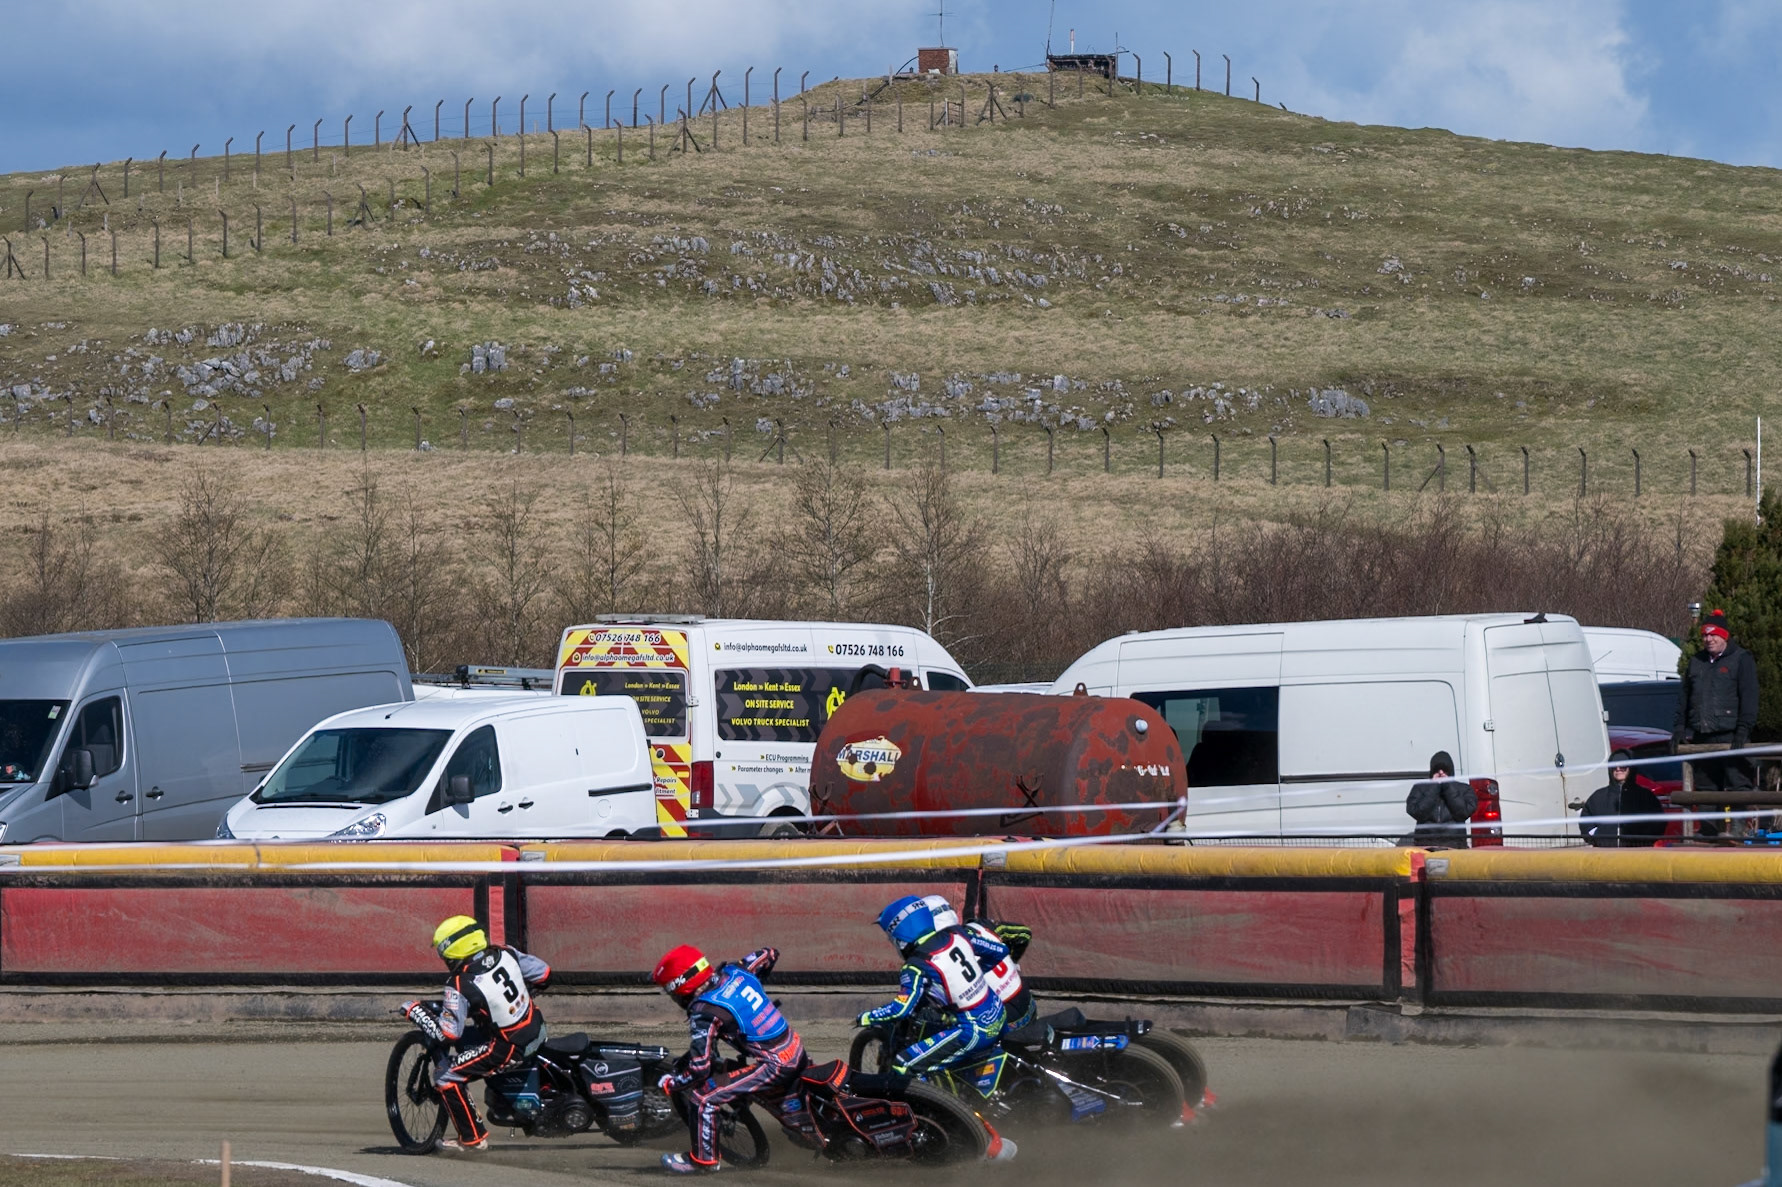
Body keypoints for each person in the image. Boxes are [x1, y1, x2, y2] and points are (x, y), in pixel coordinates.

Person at [400, 915, 552, 1153]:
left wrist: (415, 1011)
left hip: (507, 1047)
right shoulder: (506, 953)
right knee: (470, 1041)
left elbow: (448, 1034)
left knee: (446, 1076)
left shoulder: (459, 984)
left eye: (446, 957)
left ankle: (472, 1139)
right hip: (536, 1028)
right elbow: (543, 974)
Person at [652, 944, 806, 1176]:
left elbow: (699, 1068)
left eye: (669, 991)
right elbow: (769, 952)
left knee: (703, 1097)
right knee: (724, 1071)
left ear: (679, 987)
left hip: (776, 1064)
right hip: (795, 1047)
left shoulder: (704, 1011)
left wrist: (671, 1083)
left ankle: (704, 1162)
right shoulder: (737, 971)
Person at [858, 896, 1007, 1077]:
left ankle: (930, 1105)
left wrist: (866, 1017)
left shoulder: (915, 965)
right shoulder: (957, 933)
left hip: (973, 1030)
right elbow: (1000, 951)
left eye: (892, 939)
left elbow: (900, 1010)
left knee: (904, 1064)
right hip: (998, 1012)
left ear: (899, 937)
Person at [1674, 608, 1760, 835]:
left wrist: (1743, 731)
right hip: (1703, 736)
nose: (1708, 639)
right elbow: (1684, 699)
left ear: (1724, 636)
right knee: (1705, 788)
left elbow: (1750, 698)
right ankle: (1709, 832)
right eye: (1705, 635)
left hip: (1732, 735)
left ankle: (1737, 833)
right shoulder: (1696, 662)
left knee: (1738, 784)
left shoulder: (1741, 659)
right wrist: (1679, 728)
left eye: (1713, 635)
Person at [922, 894, 1037, 1031]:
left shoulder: (938, 957)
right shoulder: (983, 926)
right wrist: (1011, 961)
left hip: (1001, 1022)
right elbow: (1024, 934)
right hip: (1029, 1007)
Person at [1580, 751, 1666, 848]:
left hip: (1637, 854)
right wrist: (1596, 837)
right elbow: (1586, 821)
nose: (1618, 769)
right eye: (1614, 766)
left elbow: (1658, 822)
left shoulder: (1645, 796)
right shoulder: (1598, 796)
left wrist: (1643, 839)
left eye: (1623, 766)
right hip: (1605, 853)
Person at [1400, 751, 1479, 848]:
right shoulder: (1420, 788)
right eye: (1437, 770)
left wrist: (1448, 787)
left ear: (1450, 771)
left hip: (1455, 844)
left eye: (1445, 770)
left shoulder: (1464, 789)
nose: (1441, 773)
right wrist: (1434, 788)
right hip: (1425, 844)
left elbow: (1463, 813)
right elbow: (1417, 812)